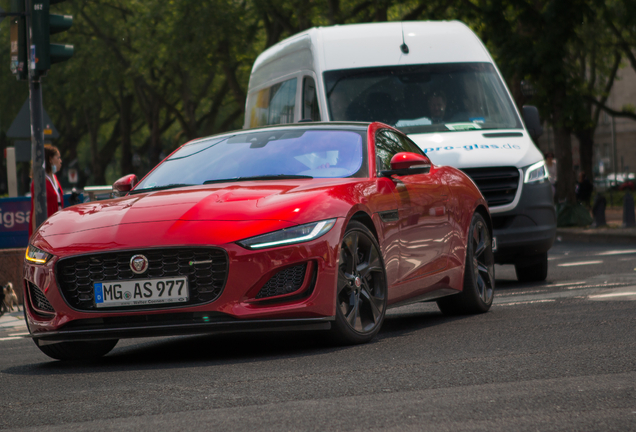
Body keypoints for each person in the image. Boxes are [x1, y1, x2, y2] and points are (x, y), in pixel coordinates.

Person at [29, 144, 63, 236]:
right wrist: (35, 234)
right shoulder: (39, 182)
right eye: (58, 157)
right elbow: (35, 210)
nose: (60, 161)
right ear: (50, 160)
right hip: (46, 227)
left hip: (57, 223)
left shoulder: (54, 178)